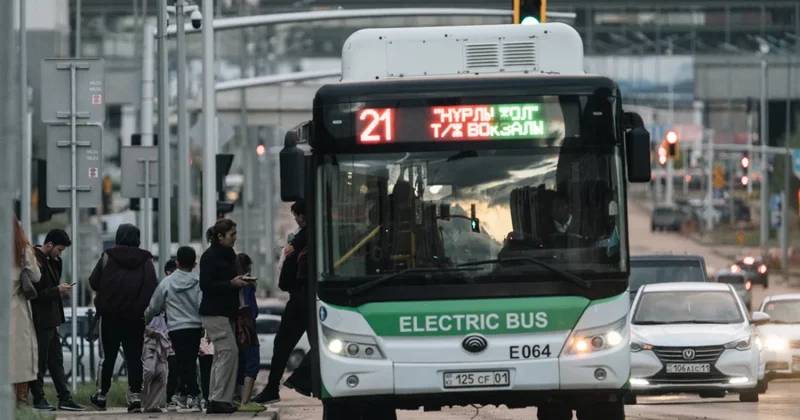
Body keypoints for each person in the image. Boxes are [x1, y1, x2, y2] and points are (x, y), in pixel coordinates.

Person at [89, 224, 159, 413]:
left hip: (109, 317)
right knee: (134, 357)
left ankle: (101, 396)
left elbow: (94, 281)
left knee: (107, 357)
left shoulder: (108, 256)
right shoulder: (146, 261)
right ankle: (135, 398)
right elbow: (152, 287)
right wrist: (140, 309)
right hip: (135, 318)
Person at [253, 200, 308, 404]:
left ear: (302, 216)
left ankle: (276, 387)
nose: (296, 220)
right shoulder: (305, 237)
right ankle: (280, 385)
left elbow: (287, 277)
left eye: (296, 216)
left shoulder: (299, 240)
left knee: (283, 344)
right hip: (306, 298)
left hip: (301, 299)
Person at [199, 218, 253, 414]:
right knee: (229, 352)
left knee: (222, 355)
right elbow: (206, 285)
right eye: (232, 235)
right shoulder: (210, 257)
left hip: (226, 313)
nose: (235, 238)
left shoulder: (228, 255)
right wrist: (231, 284)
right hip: (215, 313)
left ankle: (216, 398)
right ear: (220, 237)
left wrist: (240, 281)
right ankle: (218, 399)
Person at [29, 229, 84, 411]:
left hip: (52, 319)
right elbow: (35, 293)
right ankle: (38, 398)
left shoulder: (51, 261)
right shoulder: (35, 260)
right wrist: (57, 290)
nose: (60, 254)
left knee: (56, 360)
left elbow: (55, 279)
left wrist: (56, 260)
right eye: (59, 250)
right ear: (50, 245)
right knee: (40, 361)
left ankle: (64, 398)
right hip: (40, 319)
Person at [145, 246, 204, 411]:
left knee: (185, 362)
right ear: (194, 264)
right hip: (195, 327)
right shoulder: (199, 282)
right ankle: (187, 395)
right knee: (189, 361)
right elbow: (202, 305)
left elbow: (154, 305)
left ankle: (192, 396)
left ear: (177, 263)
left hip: (176, 328)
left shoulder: (167, 282)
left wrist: (146, 319)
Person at [10, 218, 41, 406]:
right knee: (21, 355)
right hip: (16, 308)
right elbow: (36, 276)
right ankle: (21, 401)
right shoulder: (22, 250)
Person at [233, 253, 265, 412]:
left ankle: (236, 398)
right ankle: (246, 401)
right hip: (247, 330)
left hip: (234, 330)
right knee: (252, 364)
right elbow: (253, 311)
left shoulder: (232, 284)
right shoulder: (247, 286)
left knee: (238, 365)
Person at [141, 311, 171, 413]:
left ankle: (152, 404)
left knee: (162, 374)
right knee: (148, 371)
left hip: (162, 339)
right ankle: (136, 399)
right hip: (147, 340)